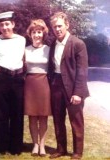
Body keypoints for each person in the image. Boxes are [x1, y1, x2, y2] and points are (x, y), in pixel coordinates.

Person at [48, 12, 89, 160]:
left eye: (59, 26)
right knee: (58, 119)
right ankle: (61, 149)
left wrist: (78, 93)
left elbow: (82, 71)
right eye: (54, 27)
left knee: (76, 121)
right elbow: (51, 67)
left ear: (67, 25)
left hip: (73, 87)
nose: (57, 29)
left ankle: (77, 152)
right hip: (56, 86)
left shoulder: (78, 44)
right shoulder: (53, 44)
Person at [0, 11, 26, 155]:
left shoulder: (22, 40)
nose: (5, 27)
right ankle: (1, 147)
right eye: (2, 25)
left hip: (18, 79)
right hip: (2, 79)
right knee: (1, 114)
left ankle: (16, 148)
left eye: (7, 24)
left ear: (13, 24)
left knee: (17, 114)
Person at [24, 19, 51, 157]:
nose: (37, 35)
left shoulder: (48, 49)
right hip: (30, 84)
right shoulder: (25, 50)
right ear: (30, 34)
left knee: (43, 116)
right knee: (32, 117)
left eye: (39, 32)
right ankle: (35, 144)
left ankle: (42, 145)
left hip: (44, 83)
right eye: (34, 32)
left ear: (43, 33)